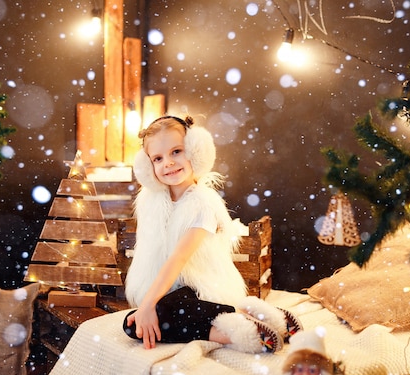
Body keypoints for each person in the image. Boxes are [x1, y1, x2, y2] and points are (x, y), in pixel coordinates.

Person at [122, 115, 301, 353]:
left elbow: (179, 258)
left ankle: (243, 331)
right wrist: (147, 306)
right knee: (131, 324)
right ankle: (252, 318)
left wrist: (148, 303)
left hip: (202, 289)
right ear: (147, 166)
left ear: (196, 151)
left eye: (176, 151)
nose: (168, 163)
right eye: (157, 158)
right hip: (175, 292)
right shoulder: (153, 203)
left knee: (159, 313)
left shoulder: (202, 204)